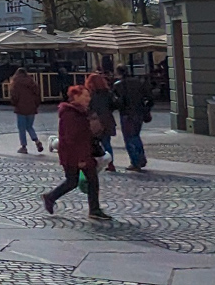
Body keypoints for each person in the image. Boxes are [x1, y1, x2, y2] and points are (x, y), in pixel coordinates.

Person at [42, 84, 110, 220]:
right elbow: (71, 138)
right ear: (76, 97)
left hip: (81, 153)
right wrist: (81, 159)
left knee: (79, 180)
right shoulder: (70, 114)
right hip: (76, 155)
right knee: (80, 181)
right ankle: (51, 197)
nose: (88, 98)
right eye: (85, 96)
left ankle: (51, 197)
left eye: (88, 95)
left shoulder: (81, 112)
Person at [113, 70, 153, 172]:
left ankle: (136, 162)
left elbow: (119, 101)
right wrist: (145, 109)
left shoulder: (119, 85)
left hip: (127, 114)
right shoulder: (139, 82)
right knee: (136, 136)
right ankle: (141, 158)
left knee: (129, 138)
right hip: (139, 113)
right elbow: (150, 98)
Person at [86, 72, 118, 173]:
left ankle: (94, 163)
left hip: (95, 121)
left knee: (92, 143)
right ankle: (110, 163)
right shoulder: (107, 93)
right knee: (107, 143)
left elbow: (88, 108)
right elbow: (114, 105)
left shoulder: (90, 94)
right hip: (107, 120)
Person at [9, 67, 43, 153]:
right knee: (29, 126)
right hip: (31, 107)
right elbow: (37, 94)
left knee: (22, 128)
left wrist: (14, 103)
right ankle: (37, 141)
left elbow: (14, 96)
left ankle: (23, 146)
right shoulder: (31, 82)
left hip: (20, 108)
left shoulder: (16, 82)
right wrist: (35, 105)